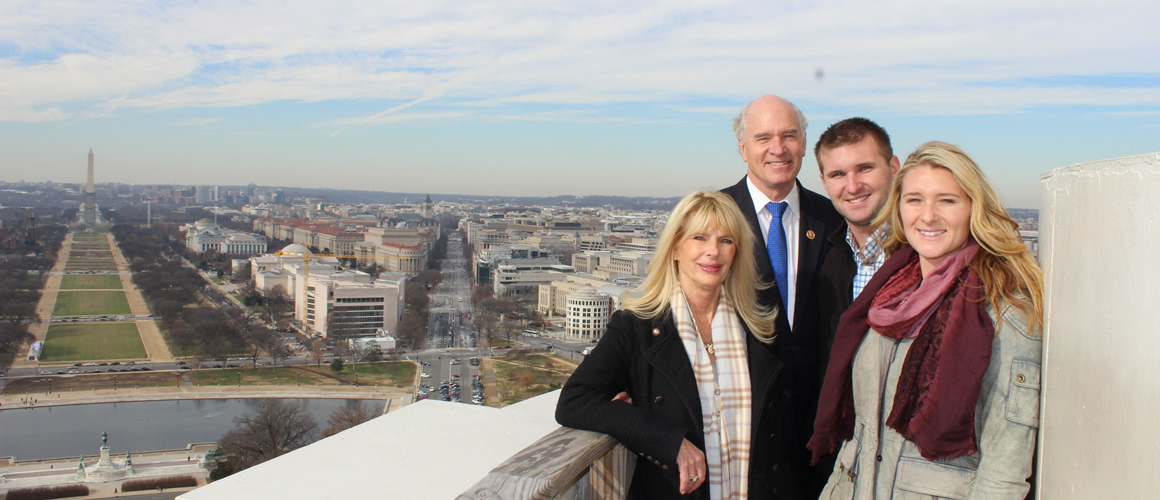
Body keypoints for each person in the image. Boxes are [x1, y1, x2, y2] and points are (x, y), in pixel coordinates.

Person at [809, 141, 1044, 499]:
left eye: (947, 200)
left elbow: (1005, 467)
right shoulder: (887, 294)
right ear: (899, 207)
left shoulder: (1003, 311)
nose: (928, 215)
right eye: (914, 199)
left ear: (972, 208)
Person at [556, 190, 782, 499]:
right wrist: (668, 441)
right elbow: (574, 401)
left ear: (737, 252)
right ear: (675, 248)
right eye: (699, 238)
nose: (713, 252)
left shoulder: (757, 328)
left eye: (726, 241)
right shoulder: (637, 326)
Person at [720, 94, 843, 495]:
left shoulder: (834, 219)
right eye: (763, 137)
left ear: (805, 143)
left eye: (789, 135)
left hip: (817, 438)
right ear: (743, 148)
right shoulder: (713, 216)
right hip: (737, 436)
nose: (778, 148)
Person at [814, 117, 901, 367]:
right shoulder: (828, 262)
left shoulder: (925, 255)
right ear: (824, 182)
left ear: (894, 168)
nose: (853, 187)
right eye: (838, 174)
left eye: (865, 168)